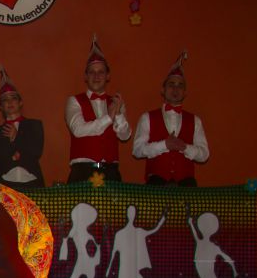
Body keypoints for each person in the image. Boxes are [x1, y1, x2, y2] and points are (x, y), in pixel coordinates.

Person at [132, 51, 209, 187]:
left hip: (186, 185)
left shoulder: (195, 121)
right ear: (163, 90)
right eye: (171, 84)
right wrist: (164, 145)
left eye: (180, 85)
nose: (175, 89)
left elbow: (204, 154)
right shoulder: (147, 118)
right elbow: (137, 150)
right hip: (156, 184)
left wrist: (185, 147)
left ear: (185, 93)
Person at [65, 35, 130, 183]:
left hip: (111, 171)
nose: (96, 76)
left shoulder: (116, 102)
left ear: (108, 76)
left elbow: (125, 135)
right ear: (85, 77)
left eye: (101, 72)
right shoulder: (74, 101)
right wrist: (109, 117)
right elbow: (78, 130)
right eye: (92, 72)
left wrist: (118, 115)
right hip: (82, 171)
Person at [0, 65, 43, 190]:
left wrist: (15, 138)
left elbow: (35, 152)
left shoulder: (34, 126)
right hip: (5, 184)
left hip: (32, 183)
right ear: (1, 107)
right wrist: (15, 153)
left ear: (20, 102)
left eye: (13, 98)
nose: (10, 102)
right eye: (5, 100)